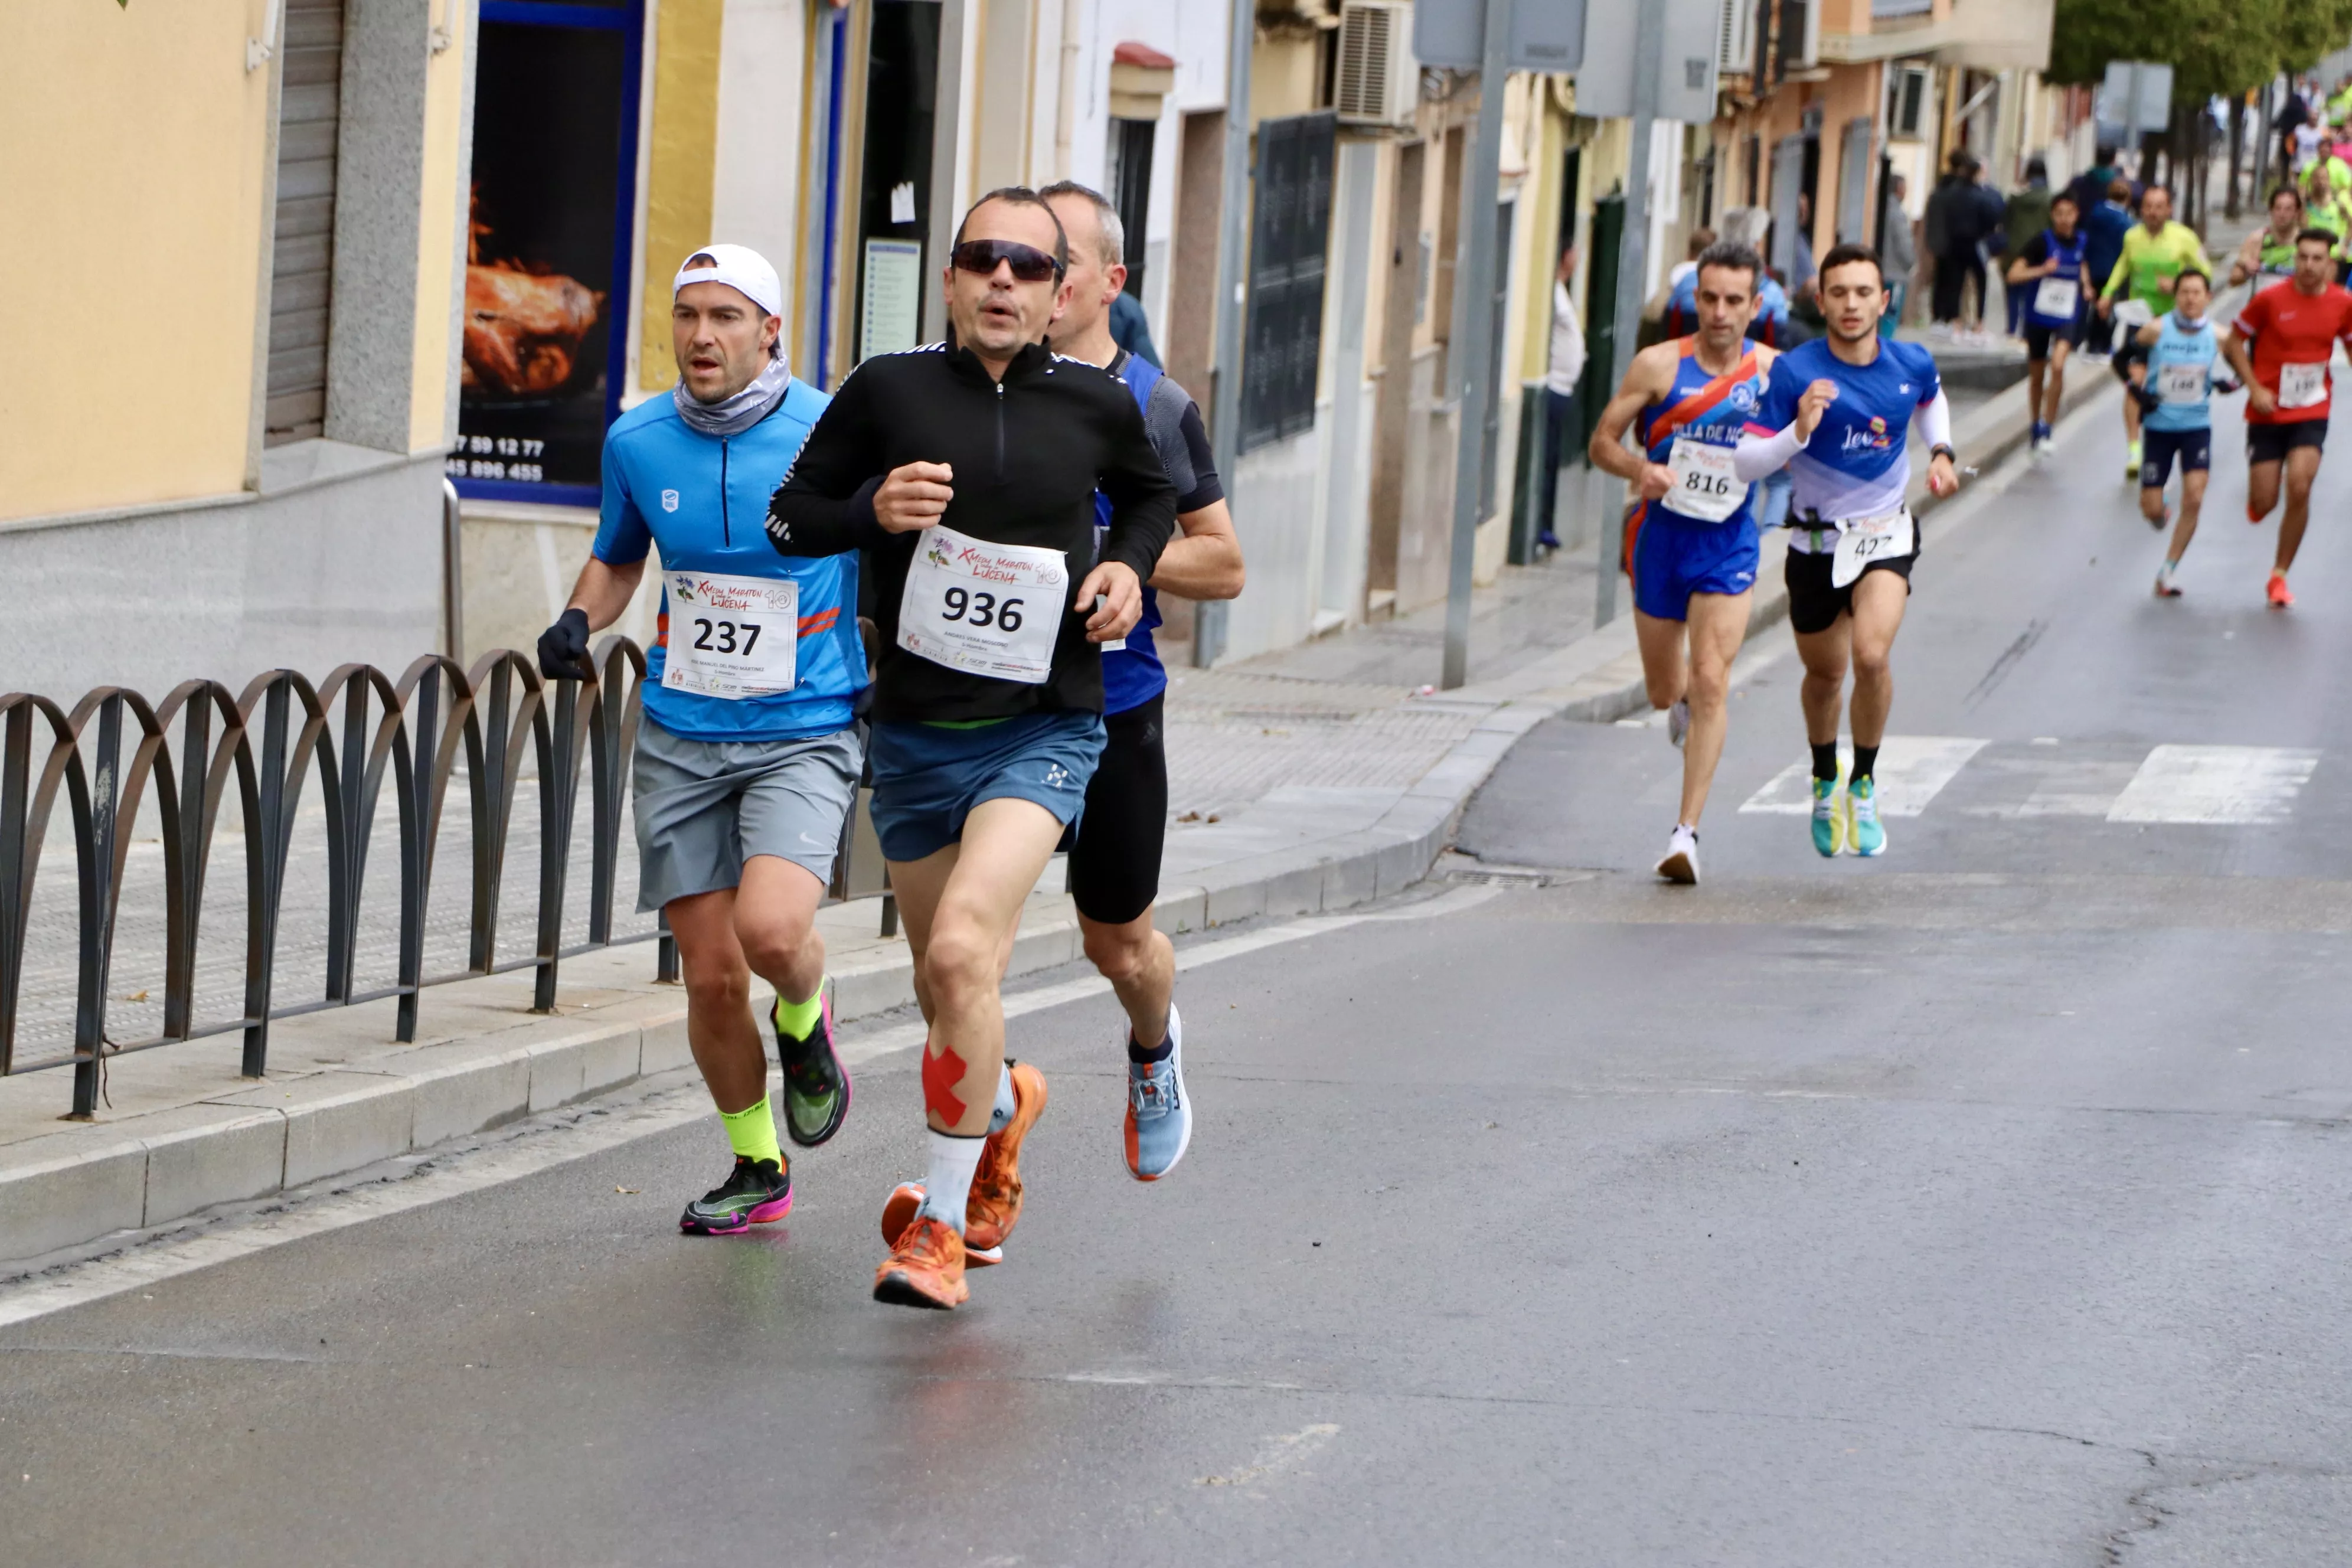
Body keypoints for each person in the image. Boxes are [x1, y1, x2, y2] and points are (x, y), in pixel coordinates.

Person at [766, 187, 1177, 1309]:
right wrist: (869, 513)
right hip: (912, 734)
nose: (1002, 280)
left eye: (1028, 267)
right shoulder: (885, 389)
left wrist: (1125, 570)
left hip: (1043, 727)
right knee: (944, 988)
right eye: (980, 260)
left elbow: (1151, 504)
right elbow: (788, 516)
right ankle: (1002, 1118)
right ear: (947, 280)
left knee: (959, 957)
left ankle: (937, 1231)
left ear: (1059, 296)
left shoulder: (1096, 403)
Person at [534, 246, 861, 1236]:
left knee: (771, 934)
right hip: (681, 733)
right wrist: (575, 622)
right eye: (686, 315)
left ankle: (805, 1017)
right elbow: (617, 559)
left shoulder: (830, 432)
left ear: (770, 332)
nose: (701, 336)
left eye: (725, 316)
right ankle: (755, 1163)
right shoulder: (637, 438)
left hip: (803, 728)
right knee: (711, 974)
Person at [1035, 178, 1243, 1181]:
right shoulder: (967, 389)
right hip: (985, 706)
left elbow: (1226, 564)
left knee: (1115, 943)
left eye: (1055, 258)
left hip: (1113, 706)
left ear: (1108, 280)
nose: (1029, 275)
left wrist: (1121, 555)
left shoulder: (1157, 407)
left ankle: (1153, 1048)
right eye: (1012, 255)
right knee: (955, 941)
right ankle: (978, 1139)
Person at [1733, 244, 1961, 860]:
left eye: (1864, 292)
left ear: (1884, 301)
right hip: (1814, 544)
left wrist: (1941, 453)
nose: (1852, 304)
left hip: (1884, 535)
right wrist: (1798, 430)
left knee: (1872, 654)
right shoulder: (1793, 372)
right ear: (1821, 300)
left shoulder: (1909, 361)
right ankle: (1823, 775)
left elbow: (1930, 399)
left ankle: (1863, 780)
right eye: (1840, 293)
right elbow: (1745, 462)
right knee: (1826, 675)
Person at [1588, 241, 1777, 886]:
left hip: (1727, 544)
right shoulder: (1658, 367)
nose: (1720, 312)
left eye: (1734, 301)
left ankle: (1685, 835)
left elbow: (1805, 449)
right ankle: (1682, 710)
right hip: (1661, 540)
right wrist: (1642, 469)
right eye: (1710, 298)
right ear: (1695, 299)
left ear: (1756, 305)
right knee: (1668, 690)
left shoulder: (1775, 375)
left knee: (1712, 677)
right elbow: (1600, 443)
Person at [2220, 227, 2352, 607]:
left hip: (2312, 408)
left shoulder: (2343, 304)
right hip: (2267, 409)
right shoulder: (2270, 301)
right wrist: (2254, 388)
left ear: (2330, 264)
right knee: (2265, 502)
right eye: (2303, 257)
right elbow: (2233, 342)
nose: (2309, 266)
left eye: (2318, 259)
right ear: (2294, 259)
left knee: (2300, 485)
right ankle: (2258, 502)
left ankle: (2279, 576)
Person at [2121, 267, 2235, 597]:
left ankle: (2168, 571)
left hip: (2196, 427)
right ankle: (2159, 506)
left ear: (2208, 297)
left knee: (2196, 496)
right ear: (2176, 296)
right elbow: (2121, 358)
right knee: (2153, 512)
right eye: (2184, 292)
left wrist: (2232, 383)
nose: (2190, 299)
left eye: (2197, 293)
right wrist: (2138, 391)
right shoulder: (2156, 330)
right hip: (2159, 428)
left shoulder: (2219, 334)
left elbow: (2248, 360)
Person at [2096, 185, 2209, 482]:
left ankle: (2168, 444)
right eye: (2148, 206)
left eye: (2160, 206)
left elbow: (2206, 273)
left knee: (2168, 387)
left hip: (2174, 323)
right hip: (2139, 318)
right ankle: (2135, 449)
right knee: (2135, 382)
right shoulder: (2132, 236)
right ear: (2140, 209)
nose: (2153, 212)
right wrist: (2107, 294)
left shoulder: (2184, 238)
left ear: (2169, 210)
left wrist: (2177, 286)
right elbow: (2123, 264)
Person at [2006, 191, 2089, 453]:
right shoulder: (2041, 243)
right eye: (2060, 214)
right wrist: (2042, 270)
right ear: (2053, 216)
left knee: (2059, 365)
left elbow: (2082, 263)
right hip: (2039, 316)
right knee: (2037, 376)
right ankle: (2035, 423)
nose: (2065, 219)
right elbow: (2013, 275)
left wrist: (2086, 286)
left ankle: (2049, 424)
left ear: (2077, 216)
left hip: (2067, 314)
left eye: (2070, 214)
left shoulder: (2082, 241)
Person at [1540, 241, 1588, 551]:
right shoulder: (1553, 293)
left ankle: (1546, 523)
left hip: (1563, 388)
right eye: (1576, 251)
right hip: (1553, 387)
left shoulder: (1561, 291)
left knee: (1552, 459)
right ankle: (1542, 525)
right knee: (1546, 459)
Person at [1926, 153, 1990, 333]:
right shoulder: (1980, 194)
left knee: (1951, 281)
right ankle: (1976, 321)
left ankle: (1950, 319)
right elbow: (1990, 216)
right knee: (1979, 281)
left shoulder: (1946, 191)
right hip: (1973, 243)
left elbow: (1939, 216)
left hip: (1951, 243)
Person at [2079, 177, 2136, 359]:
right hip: (2114, 268)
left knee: (2096, 307)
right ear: (2127, 198)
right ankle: (2104, 344)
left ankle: (2092, 342)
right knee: (2109, 309)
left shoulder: (2095, 213)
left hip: (2095, 266)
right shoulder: (2125, 222)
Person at [2001, 158, 2055, 339]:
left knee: (2013, 290)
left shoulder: (2016, 198)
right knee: (2033, 290)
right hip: (2038, 249)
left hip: (2015, 247)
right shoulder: (2050, 199)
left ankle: (2011, 327)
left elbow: (2006, 222)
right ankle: (2026, 330)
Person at [2230, 185, 2307, 288]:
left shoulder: (2305, 242)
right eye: (2278, 208)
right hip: (2264, 300)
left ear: (2297, 212)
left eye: (2288, 209)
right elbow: (2233, 279)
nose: (2282, 214)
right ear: (2271, 210)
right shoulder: (2258, 239)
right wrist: (2246, 269)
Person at [1879, 172, 1917, 338]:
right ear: (1900, 189)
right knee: (1889, 316)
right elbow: (1904, 246)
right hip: (1895, 274)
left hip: (1881, 271)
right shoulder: (1898, 214)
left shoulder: (1880, 208)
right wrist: (1912, 262)